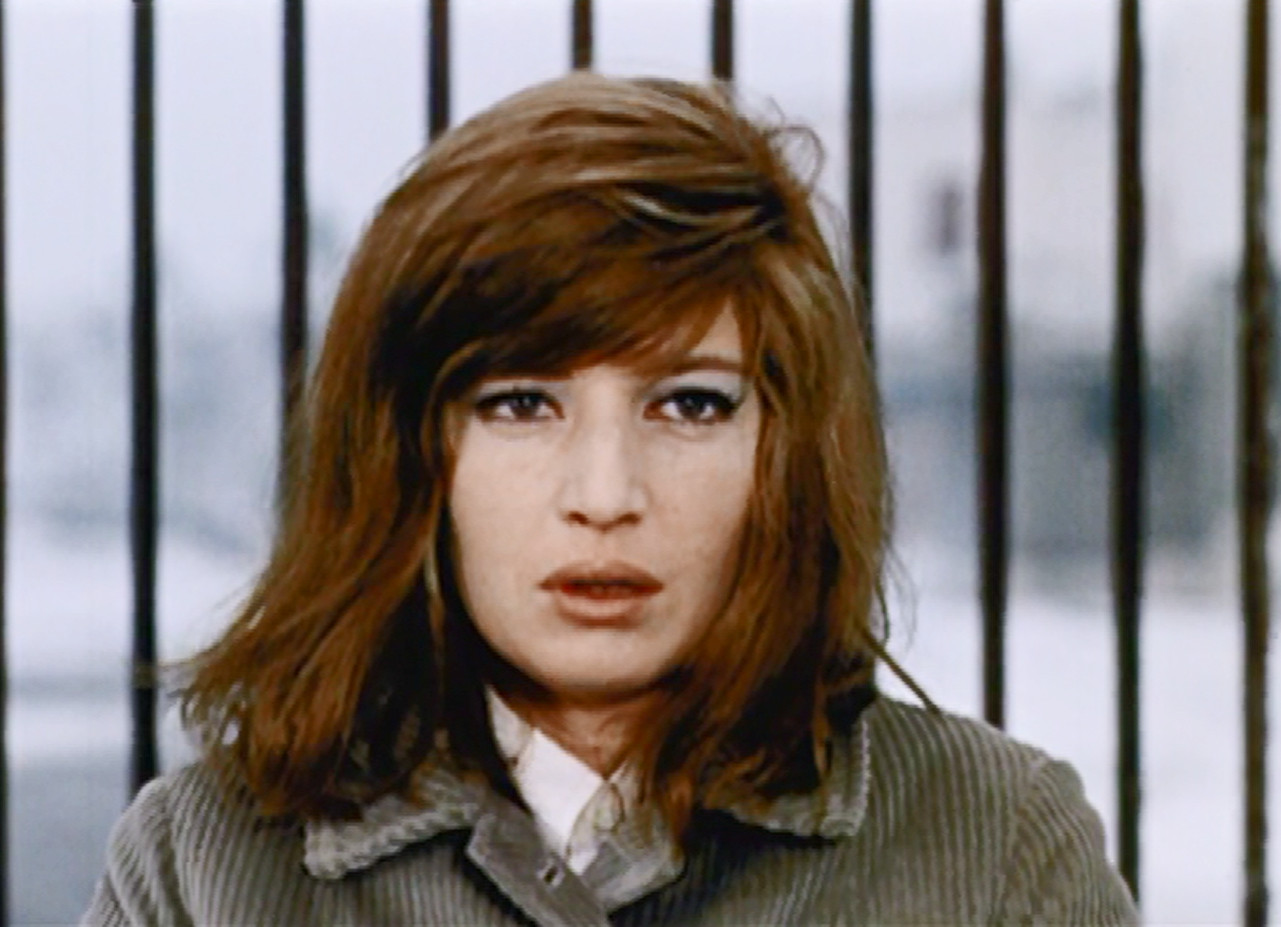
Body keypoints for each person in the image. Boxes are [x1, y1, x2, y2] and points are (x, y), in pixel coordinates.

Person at [83, 73, 1138, 925]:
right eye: (521, 403)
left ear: (786, 454)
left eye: (689, 404)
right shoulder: (203, 863)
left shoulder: (997, 848)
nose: (604, 495)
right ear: (412, 451)